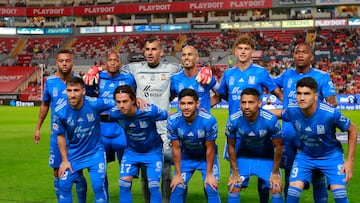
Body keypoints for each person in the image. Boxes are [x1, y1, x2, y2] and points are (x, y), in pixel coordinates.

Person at [216, 34, 283, 203]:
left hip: (259, 129)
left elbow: (277, 92)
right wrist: (201, 105)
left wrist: (292, 109)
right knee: (236, 175)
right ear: (235, 51)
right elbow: (221, 96)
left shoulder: (261, 72)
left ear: (252, 51)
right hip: (237, 129)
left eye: (247, 48)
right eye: (240, 48)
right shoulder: (229, 74)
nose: (243, 51)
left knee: (265, 180)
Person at [274, 42, 338, 201]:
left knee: (318, 177)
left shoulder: (322, 76)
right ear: (293, 56)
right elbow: (269, 84)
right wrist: (281, 97)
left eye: (304, 52)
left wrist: (323, 110)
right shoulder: (286, 75)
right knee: (289, 175)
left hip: (313, 137)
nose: (300, 55)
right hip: (289, 137)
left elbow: (332, 101)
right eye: (297, 52)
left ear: (311, 56)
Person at [281, 77, 357, 203]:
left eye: (306, 94)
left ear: (315, 96)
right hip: (305, 156)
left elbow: (352, 129)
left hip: (331, 156)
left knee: (339, 194)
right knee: (293, 192)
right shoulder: (292, 110)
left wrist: (350, 160)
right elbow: (279, 113)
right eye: (299, 93)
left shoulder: (330, 113)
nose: (302, 98)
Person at [33, 49, 87, 202]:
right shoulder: (50, 82)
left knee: (77, 171)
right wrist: (38, 127)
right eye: (61, 61)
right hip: (57, 135)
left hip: (76, 134)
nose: (64, 63)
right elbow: (44, 105)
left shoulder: (78, 81)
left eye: (67, 60)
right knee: (57, 171)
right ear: (56, 62)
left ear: (72, 62)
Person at [85, 51, 136, 200]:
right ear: (105, 63)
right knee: (101, 170)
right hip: (102, 128)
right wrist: (93, 72)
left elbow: (136, 96)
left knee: (125, 168)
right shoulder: (99, 77)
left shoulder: (128, 78)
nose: (113, 63)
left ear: (120, 63)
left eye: (116, 60)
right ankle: (103, 198)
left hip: (121, 128)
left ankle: (125, 197)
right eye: (110, 60)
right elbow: (88, 95)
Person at [54, 76, 113, 202]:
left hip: (95, 153)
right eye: (69, 91)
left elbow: (117, 102)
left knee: (98, 185)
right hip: (74, 154)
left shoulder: (94, 103)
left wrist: (135, 100)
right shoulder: (60, 111)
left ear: (83, 91)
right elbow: (60, 135)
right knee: (63, 185)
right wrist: (64, 160)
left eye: (76, 90)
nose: (73, 95)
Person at [109, 85, 169, 203]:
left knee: (154, 185)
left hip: (153, 151)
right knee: (124, 184)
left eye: (125, 101)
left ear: (133, 100)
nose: (121, 105)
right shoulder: (115, 113)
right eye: (118, 102)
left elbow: (168, 115)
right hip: (132, 152)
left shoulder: (149, 111)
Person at [226, 88, 284, 203]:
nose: (247, 106)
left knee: (276, 187)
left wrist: (275, 172)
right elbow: (231, 146)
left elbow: (278, 147)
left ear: (259, 103)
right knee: (234, 186)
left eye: (251, 102)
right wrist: (235, 171)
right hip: (244, 156)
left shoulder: (270, 120)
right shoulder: (233, 120)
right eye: (243, 102)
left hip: (266, 157)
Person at [167, 88, 221, 203]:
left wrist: (209, 174)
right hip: (186, 158)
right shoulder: (172, 120)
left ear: (197, 103)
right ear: (178, 104)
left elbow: (210, 148)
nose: (186, 107)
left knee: (211, 188)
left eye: (190, 103)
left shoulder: (209, 121)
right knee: (177, 188)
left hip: (205, 159)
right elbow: (176, 148)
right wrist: (177, 174)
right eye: (183, 103)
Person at [170, 44, 218, 112]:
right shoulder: (175, 78)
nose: (186, 57)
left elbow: (220, 94)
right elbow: (168, 98)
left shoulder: (205, 76)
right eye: (184, 55)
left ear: (197, 57)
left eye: (190, 54)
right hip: (183, 121)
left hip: (202, 122)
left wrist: (205, 105)